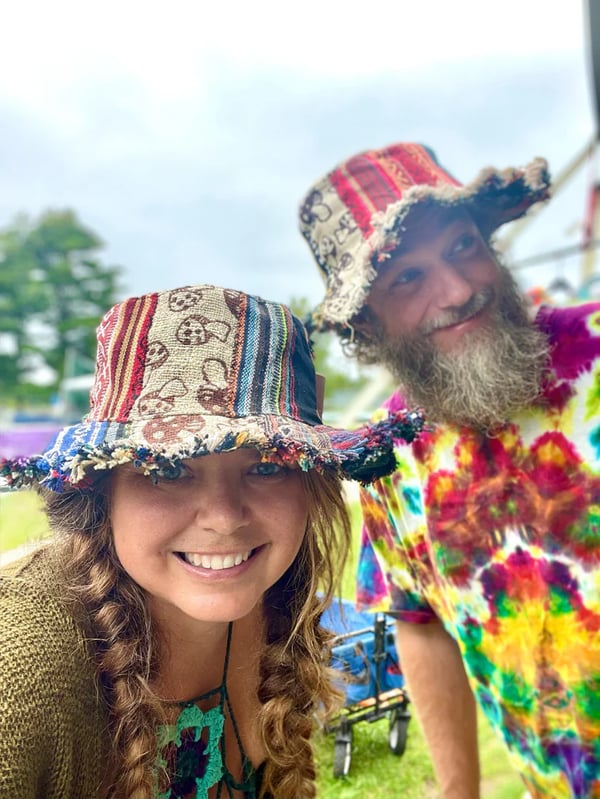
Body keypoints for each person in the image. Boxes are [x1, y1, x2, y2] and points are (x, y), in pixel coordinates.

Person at [0, 283, 424, 799]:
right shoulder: (19, 657)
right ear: (100, 490)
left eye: (268, 467)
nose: (224, 519)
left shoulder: (280, 607)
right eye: (169, 469)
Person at [297, 142, 600, 799]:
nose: (461, 289)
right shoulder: (391, 456)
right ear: (367, 321)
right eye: (407, 277)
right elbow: (419, 622)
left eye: (463, 246)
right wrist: (459, 789)